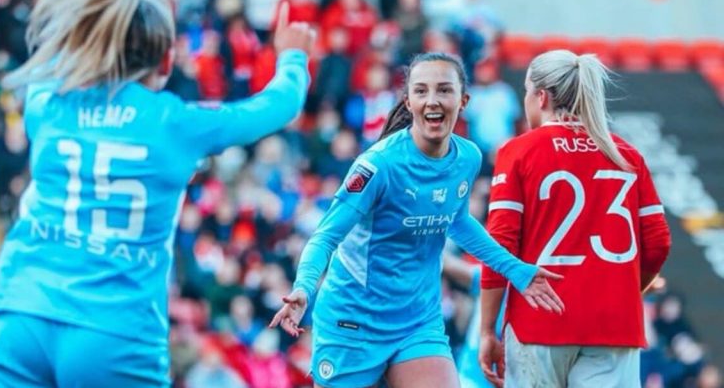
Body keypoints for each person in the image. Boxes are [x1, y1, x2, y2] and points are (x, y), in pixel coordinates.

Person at [0, 0, 314, 387]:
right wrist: (293, 56)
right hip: (114, 329)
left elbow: (61, 60)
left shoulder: (46, 103)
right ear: (167, 60)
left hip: (23, 314)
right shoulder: (176, 123)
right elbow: (278, 105)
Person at [270, 52, 564, 388]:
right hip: (354, 321)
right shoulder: (379, 165)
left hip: (417, 322)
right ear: (408, 102)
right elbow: (325, 237)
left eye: (443, 90)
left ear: (463, 100)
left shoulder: (468, 157)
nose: (432, 100)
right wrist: (304, 288)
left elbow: (458, 221)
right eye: (421, 91)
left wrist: (517, 270)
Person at [479, 50, 672, 388]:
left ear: (540, 97)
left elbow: (499, 247)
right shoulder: (627, 154)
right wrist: (625, 290)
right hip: (614, 323)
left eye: (527, 91)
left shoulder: (518, 151)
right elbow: (658, 243)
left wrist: (486, 329)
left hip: (538, 321)